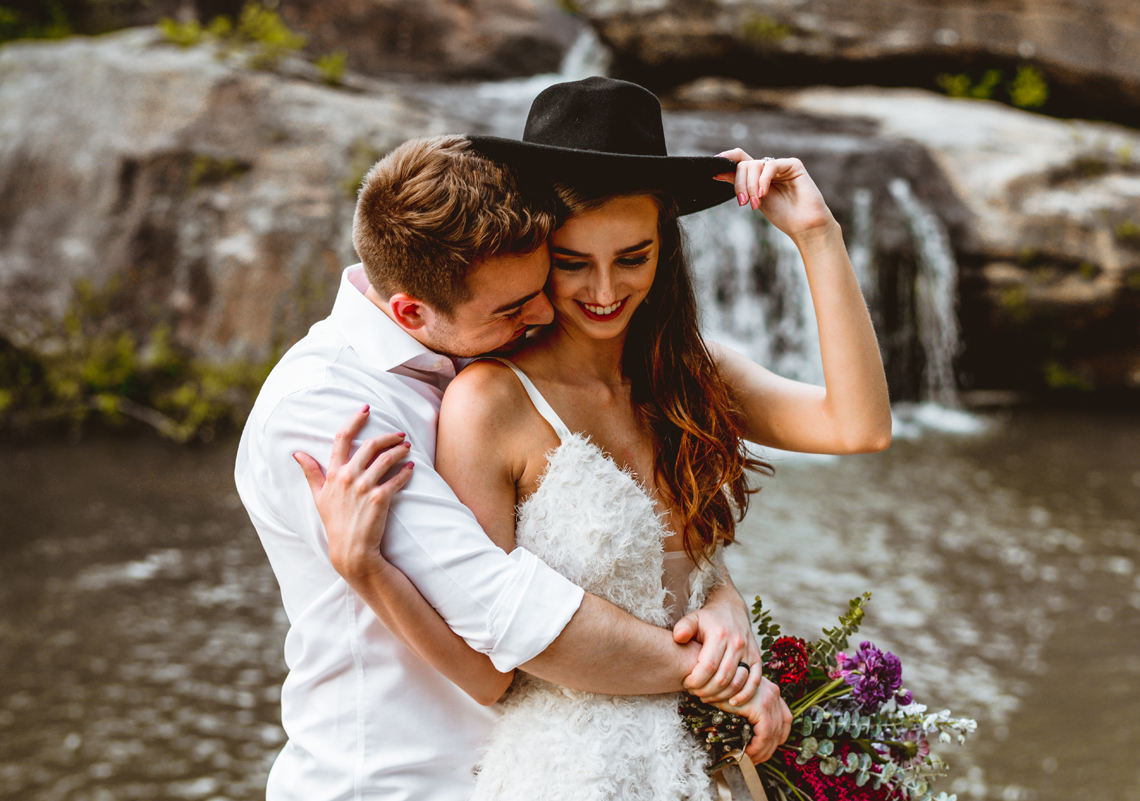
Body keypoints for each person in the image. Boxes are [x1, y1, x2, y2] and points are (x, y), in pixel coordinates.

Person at [300, 78, 891, 799]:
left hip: (715, 758)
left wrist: (816, 235)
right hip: (573, 773)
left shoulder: (693, 376)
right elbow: (489, 668)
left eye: (633, 257)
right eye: (573, 261)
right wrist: (367, 569)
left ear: (664, 249)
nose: (605, 290)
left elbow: (858, 425)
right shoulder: (487, 402)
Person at [236, 129, 787, 801]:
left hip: (523, 767)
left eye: (539, 284)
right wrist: (723, 675)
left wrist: (720, 596)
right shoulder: (329, 410)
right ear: (412, 309)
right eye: (513, 306)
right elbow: (503, 615)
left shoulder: (474, 346)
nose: (547, 311)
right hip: (390, 778)